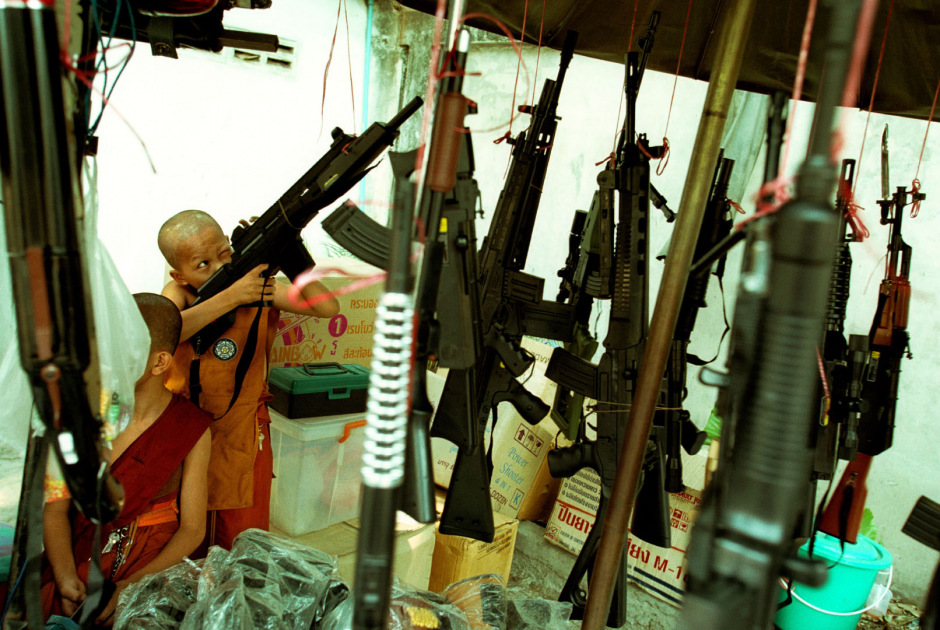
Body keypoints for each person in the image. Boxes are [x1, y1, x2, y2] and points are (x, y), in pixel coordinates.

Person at [157, 209, 339, 551]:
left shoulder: (259, 289)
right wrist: (233, 296)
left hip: (243, 427)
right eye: (202, 264)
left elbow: (326, 307)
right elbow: (168, 331)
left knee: (242, 534)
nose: (219, 268)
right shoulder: (177, 294)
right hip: (184, 427)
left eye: (224, 255)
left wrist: (292, 258)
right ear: (179, 276)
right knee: (183, 525)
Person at [41, 293, 212, 625]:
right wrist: (64, 578)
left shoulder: (189, 427)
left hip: (151, 566)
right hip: (78, 558)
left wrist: (131, 588)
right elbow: (55, 509)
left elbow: (192, 530)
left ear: (159, 362)